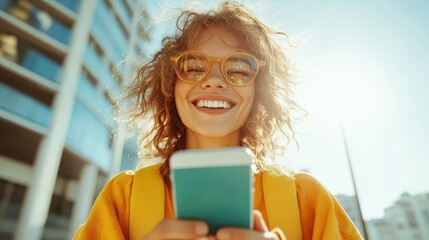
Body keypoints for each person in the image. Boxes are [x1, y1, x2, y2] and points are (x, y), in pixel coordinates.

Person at [73, 1, 363, 239]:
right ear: (170, 87)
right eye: (194, 67)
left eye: (238, 68)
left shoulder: (307, 200)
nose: (213, 81)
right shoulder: (122, 198)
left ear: (260, 92)